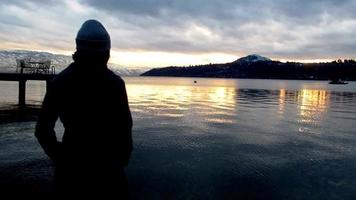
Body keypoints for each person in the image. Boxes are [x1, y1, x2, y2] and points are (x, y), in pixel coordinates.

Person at [35, 19, 133, 198]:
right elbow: (125, 128)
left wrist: (61, 159)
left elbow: (42, 130)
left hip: (71, 169)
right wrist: (121, 159)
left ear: (78, 49)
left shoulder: (60, 82)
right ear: (107, 53)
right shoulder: (115, 84)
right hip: (109, 170)